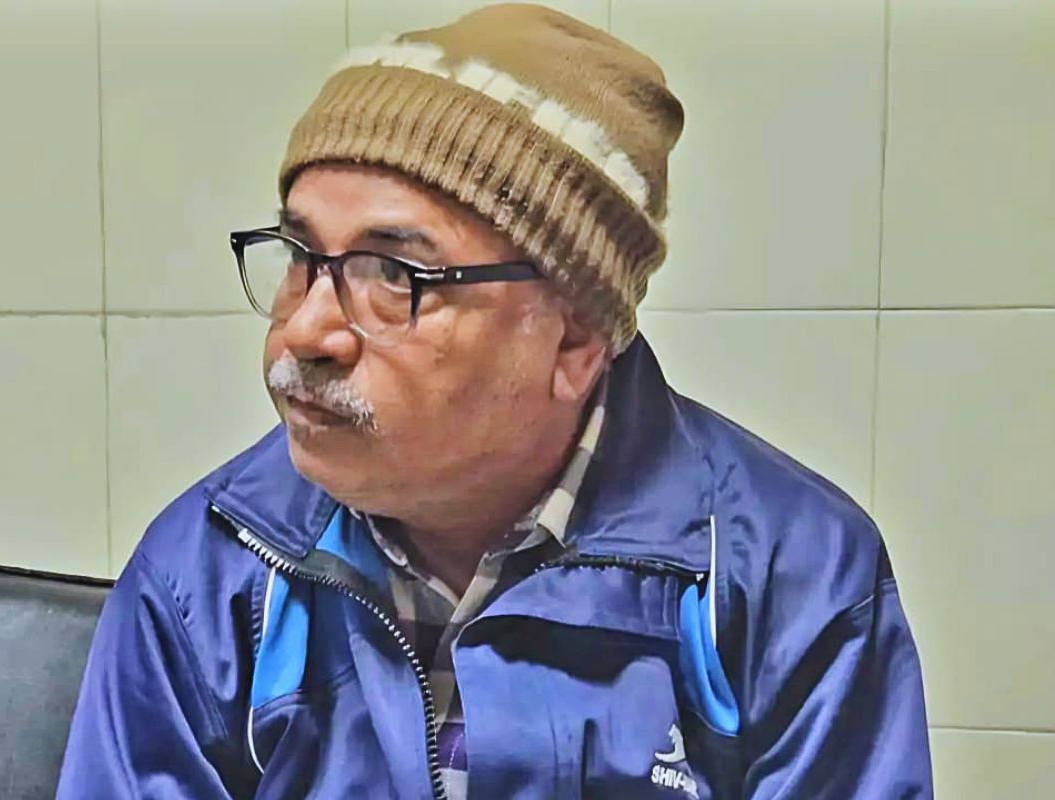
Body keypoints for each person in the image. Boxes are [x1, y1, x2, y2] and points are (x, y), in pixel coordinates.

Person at [57, 4, 932, 798]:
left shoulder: (787, 577)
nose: (307, 331)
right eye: (300, 256)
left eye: (393, 273)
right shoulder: (207, 576)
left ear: (575, 338)